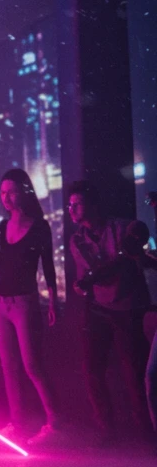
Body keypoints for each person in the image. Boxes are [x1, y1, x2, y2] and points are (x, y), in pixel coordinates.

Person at [0, 169, 63, 445]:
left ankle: (55, 422)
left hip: (25, 302)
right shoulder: (1, 226)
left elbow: (48, 265)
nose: (6, 198)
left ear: (23, 191)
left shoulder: (39, 227)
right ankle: (18, 423)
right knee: (8, 366)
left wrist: (53, 301)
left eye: (11, 191)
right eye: (2, 193)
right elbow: (0, 268)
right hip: (1, 304)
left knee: (32, 364)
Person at [67, 180, 151, 442]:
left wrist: (134, 240)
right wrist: (82, 286)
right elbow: (86, 276)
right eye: (70, 205)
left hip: (128, 309)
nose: (72, 209)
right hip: (98, 309)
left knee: (135, 372)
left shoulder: (119, 228)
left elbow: (139, 233)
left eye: (77, 204)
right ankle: (105, 429)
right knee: (91, 368)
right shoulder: (77, 240)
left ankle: (146, 431)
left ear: (93, 204)